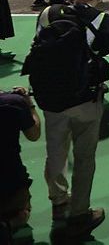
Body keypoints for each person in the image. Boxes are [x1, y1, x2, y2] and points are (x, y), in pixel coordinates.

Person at [27, 0, 109, 238]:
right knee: (84, 159)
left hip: (50, 98)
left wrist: (66, 0)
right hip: (84, 98)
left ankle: (58, 200)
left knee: (55, 152)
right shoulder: (101, 19)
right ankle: (80, 212)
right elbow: (103, 50)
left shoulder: (48, 13)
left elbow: (39, 40)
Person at [0, 86, 41, 240]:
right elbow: (34, 134)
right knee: (22, 213)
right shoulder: (13, 102)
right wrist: (29, 104)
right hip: (12, 179)